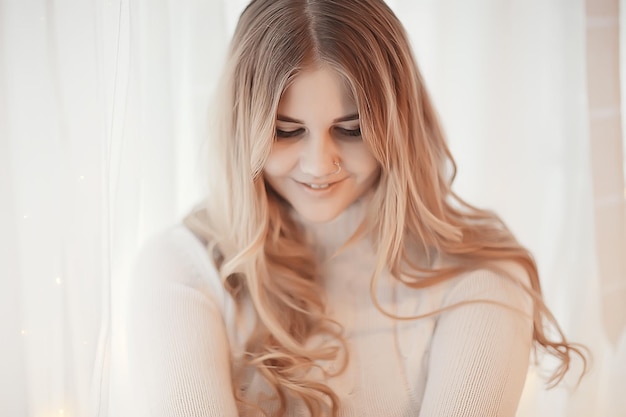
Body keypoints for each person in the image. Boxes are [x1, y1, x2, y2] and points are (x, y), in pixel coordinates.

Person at [126, 0, 587, 416]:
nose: (319, 164)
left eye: (350, 129)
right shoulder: (183, 271)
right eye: (287, 131)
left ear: (398, 123)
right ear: (244, 128)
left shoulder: (482, 279)